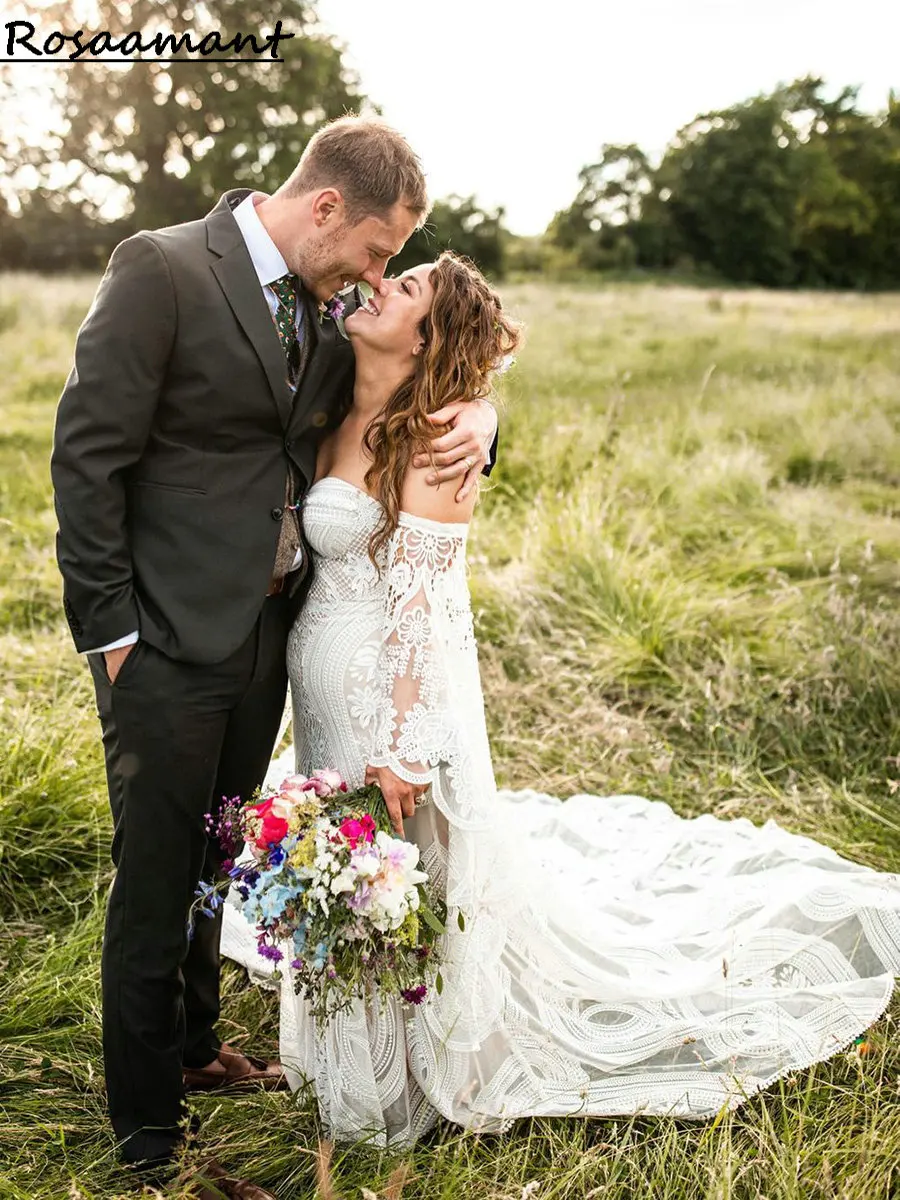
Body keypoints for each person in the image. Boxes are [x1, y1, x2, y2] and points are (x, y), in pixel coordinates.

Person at [223, 250, 900, 1149]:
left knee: (402, 869)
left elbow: (420, 610)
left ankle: (414, 1067)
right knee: (343, 861)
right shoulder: (330, 389)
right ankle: (346, 1049)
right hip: (319, 688)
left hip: (391, 693)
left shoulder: (438, 440)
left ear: (425, 342)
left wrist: (406, 743)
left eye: (410, 285)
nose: (382, 282)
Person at [50, 118, 498, 1196]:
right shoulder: (160, 269)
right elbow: (87, 455)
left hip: (267, 640)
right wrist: (111, 636)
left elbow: (424, 378)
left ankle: (200, 1047)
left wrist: (484, 419)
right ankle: (148, 1136)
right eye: (382, 250)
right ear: (328, 209)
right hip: (157, 642)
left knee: (219, 855)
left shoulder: (332, 307)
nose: (380, 274)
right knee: (156, 884)